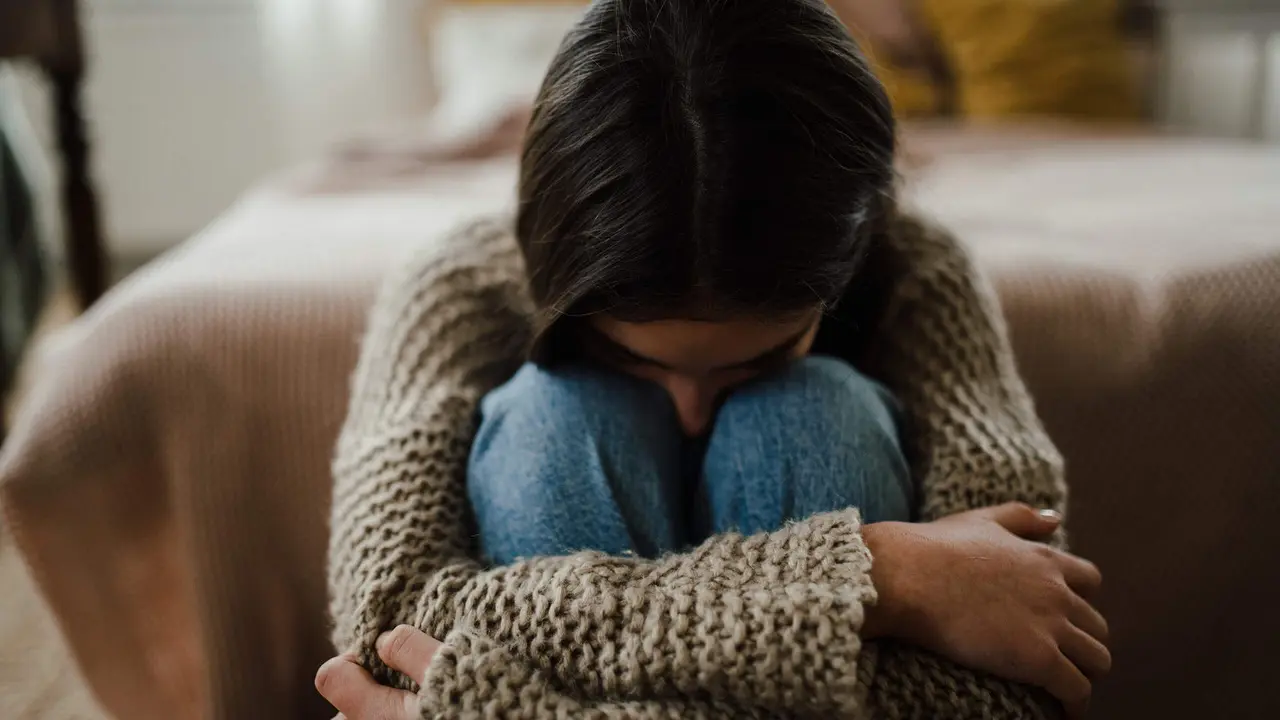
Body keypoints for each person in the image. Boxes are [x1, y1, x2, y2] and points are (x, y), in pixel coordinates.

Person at [318, 1, 1109, 718]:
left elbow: (1015, 673)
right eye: (627, 357)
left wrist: (516, 708)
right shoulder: (455, 288)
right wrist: (876, 572)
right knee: (552, 414)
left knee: (813, 409)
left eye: (754, 360)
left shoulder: (916, 274)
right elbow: (388, 628)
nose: (692, 409)